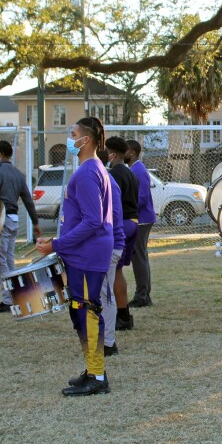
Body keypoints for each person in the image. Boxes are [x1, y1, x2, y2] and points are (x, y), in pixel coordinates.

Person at [36, 118, 114, 396]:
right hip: (83, 253)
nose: (70, 139)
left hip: (86, 255)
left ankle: (98, 376)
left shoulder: (88, 172)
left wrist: (57, 244)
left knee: (87, 312)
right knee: (80, 310)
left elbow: (93, 220)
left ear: (87, 140)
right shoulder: (92, 169)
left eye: (73, 134)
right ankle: (93, 368)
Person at [0, 140, 41, 313]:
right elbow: (28, 200)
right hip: (14, 218)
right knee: (9, 258)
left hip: (1, 217)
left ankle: (7, 298)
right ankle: (16, 294)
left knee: (0, 259)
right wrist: (35, 222)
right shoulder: (19, 175)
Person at [105, 137, 138, 331]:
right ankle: (123, 313)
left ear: (113, 154)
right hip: (133, 222)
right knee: (117, 271)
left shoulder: (115, 174)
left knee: (113, 272)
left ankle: (121, 315)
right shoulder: (129, 172)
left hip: (122, 223)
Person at [96, 148, 127, 356]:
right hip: (107, 244)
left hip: (109, 245)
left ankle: (108, 341)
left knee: (105, 294)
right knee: (102, 293)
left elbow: (110, 215)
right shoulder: (103, 178)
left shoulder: (106, 180)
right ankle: (105, 338)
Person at [126, 139, 155, 308]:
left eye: (126, 151)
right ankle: (144, 295)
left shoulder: (138, 170)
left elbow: (142, 197)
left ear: (133, 153)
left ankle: (142, 296)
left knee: (139, 257)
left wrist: (128, 212)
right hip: (140, 218)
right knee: (139, 256)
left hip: (141, 220)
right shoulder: (134, 169)